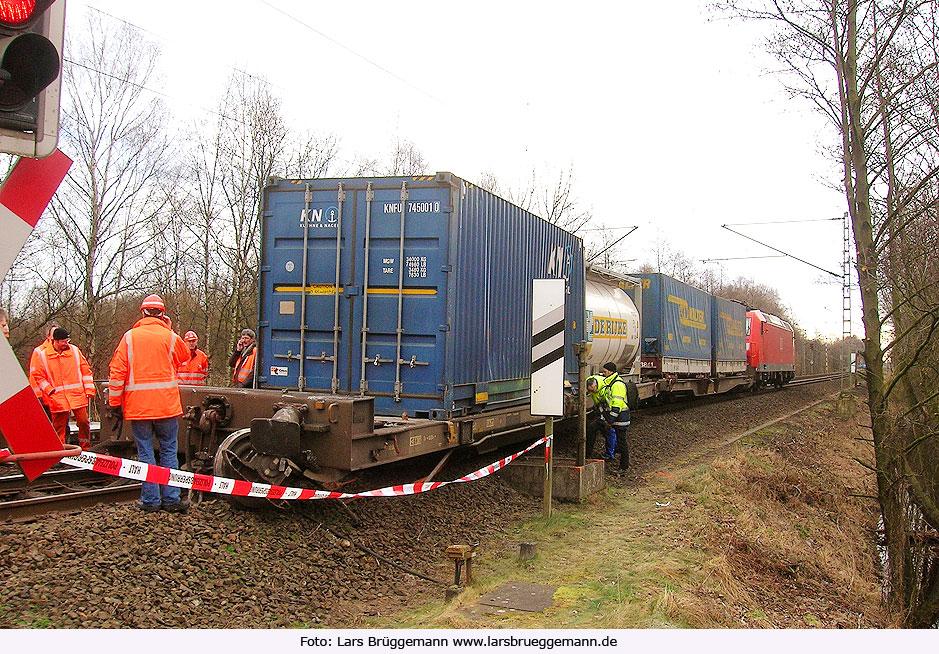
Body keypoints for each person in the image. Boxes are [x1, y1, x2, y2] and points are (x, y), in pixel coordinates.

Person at [108, 294, 191, 513]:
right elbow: (183, 356)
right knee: (169, 451)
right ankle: (172, 499)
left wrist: (114, 403)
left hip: (139, 407)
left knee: (145, 452)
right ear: (163, 314)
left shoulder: (129, 338)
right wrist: (170, 329)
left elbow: (117, 373)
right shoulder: (170, 336)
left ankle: (151, 501)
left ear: (142, 312)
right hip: (166, 406)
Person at [28, 327, 97, 449]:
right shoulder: (43, 356)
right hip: (57, 398)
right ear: (55, 341)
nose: (66, 344)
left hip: (76, 396)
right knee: (59, 427)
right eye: (63, 342)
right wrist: (49, 391)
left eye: (67, 341)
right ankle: (60, 451)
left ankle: (85, 448)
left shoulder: (75, 351)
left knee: (84, 422)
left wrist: (89, 389)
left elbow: (85, 370)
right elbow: (38, 375)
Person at [598, 361, 631, 471]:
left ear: (610, 371)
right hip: (618, 419)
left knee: (622, 443)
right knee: (620, 442)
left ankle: (623, 468)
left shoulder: (617, 385)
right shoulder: (610, 384)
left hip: (620, 419)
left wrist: (610, 421)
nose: (603, 374)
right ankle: (617, 458)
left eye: (604, 371)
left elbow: (617, 406)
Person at [584, 374, 609, 459]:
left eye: (592, 390)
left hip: (609, 413)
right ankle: (587, 453)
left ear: (596, 386)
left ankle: (611, 452)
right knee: (592, 428)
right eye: (589, 391)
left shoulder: (605, 389)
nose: (591, 393)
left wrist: (606, 417)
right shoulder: (591, 382)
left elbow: (610, 405)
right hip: (600, 410)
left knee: (609, 432)